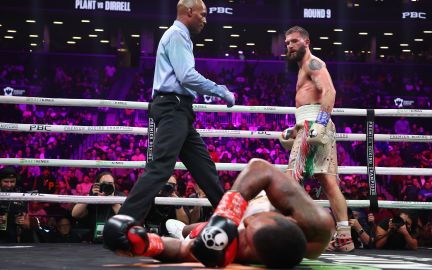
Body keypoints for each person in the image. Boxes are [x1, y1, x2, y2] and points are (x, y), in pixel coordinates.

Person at [117, 0, 234, 224]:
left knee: (205, 168)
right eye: (203, 14)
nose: (205, 20)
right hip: (173, 107)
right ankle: (122, 222)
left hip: (179, 109)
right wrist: (221, 91)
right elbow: (187, 76)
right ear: (189, 12)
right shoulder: (178, 35)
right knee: (161, 168)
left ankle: (229, 221)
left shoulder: (179, 36)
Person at [103, 158, 334, 268]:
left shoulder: (238, 250)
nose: (239, 233)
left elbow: (184, 251)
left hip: (240, 220)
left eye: (244, 237)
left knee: (199, 234)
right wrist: (226, 217)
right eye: (248, 224)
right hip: (252, 194)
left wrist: (145, 244)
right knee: (213, 227)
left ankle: (181, 229)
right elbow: (260, 168)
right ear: (285, 217)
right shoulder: (316, 223)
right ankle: (183, 227)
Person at [279, 25, 352, 251]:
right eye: (287, 43)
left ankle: (288, 234)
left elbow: (329, 91)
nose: (290, 46)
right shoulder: (303, 68)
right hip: (309, 126)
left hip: (314, 126)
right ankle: (344, 236)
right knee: (328, 182)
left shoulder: (313, 63)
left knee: (291, 181)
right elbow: (310, 102)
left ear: (306, 41)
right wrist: (297, 127)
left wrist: (318, 124)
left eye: (294, 41)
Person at [71, 171, 124, 243]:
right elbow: (75, 214)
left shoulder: (120, 197)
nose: (107, 186)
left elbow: (125, 220)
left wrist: (113, 201)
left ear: (114, 185)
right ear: (98, 185)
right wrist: (90, 197)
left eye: (111, 184)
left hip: (115, 241)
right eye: (104, 184)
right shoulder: (92, 197)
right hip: (93, 241)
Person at [0, 166, 33, 243]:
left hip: (11, 237)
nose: (9, 185)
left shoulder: (20, 194)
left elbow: (27, 225)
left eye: (12, 182)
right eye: (6, 181)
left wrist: (23, 222)